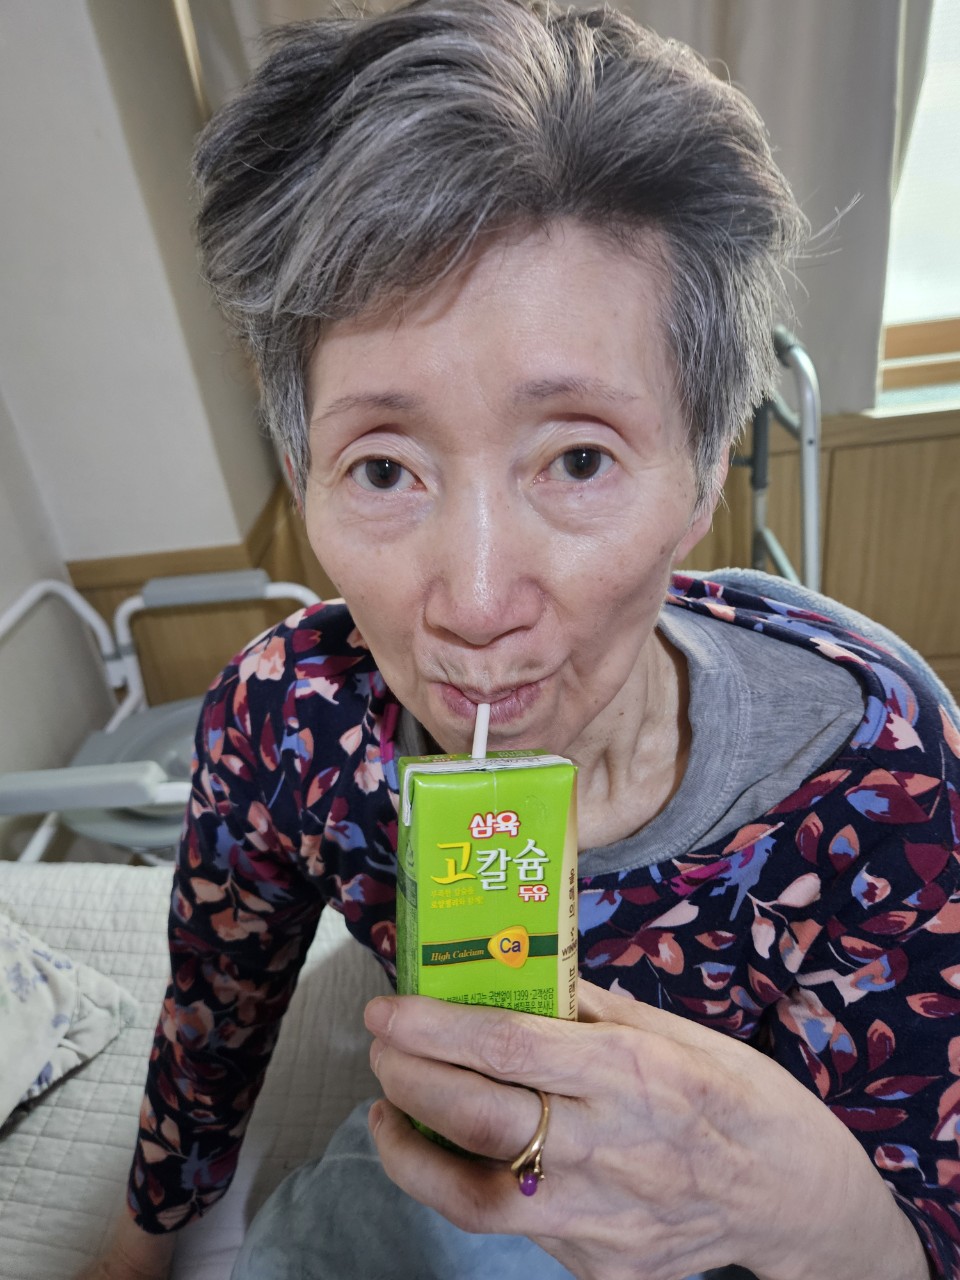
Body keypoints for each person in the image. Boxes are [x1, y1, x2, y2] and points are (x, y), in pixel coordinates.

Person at [81, 2, 960, 1278]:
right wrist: (126, 1258)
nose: (477, 600)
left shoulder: (875, 759)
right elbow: (212, 1023)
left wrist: (814, 1209)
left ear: (703, 471)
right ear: (305, 473)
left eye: (580, 458)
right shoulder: (288, 723)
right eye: (384, 467)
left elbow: (925, 1218)